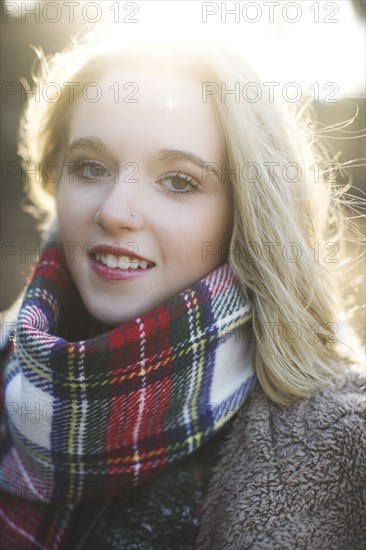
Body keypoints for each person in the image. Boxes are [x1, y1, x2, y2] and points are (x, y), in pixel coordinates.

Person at [0, 31, 365, 550]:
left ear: (247, 213)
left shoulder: (341, 448)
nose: (114, 211)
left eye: (178, 181)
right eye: (89, 168)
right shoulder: (9, 361)